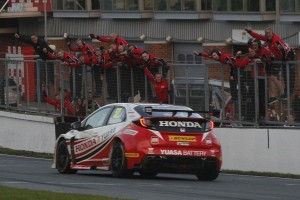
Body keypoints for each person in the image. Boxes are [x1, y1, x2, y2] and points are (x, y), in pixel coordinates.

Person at [245, 27, 295, 96]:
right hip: (277, 57)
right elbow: (258, 36)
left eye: (269, 33)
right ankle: (274, 95)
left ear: (272, 33)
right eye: (266, 33)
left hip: (287, 56)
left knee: (285, 74)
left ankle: (284, 92)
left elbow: (283, 50)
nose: (268, 34)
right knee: (270, 76)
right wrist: (249, 31)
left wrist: (284, 60)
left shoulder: (275, 40)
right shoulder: (267, 39)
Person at [14, 33, 55, 98]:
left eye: (34, 38)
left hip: (49, 58)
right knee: (44, 76)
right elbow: (25, 40)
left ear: (37, 37)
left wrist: (46, 51)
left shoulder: (41, 41)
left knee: (50, 78)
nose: (33, 40)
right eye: (32, 39)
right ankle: (44, 92)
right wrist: (19, 37)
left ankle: (51, 95)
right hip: (43, 59)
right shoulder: (32, 41)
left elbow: (47, 48)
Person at [251, 39, 285, 105]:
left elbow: (268, 58)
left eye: (255, 45)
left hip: (276, 61)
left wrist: (260, 59)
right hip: (270, 63)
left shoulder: (263, 50)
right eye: (253, 45)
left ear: (259, 45)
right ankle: (272, 96)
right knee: (269, 78)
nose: (254, 47)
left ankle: (282, 93)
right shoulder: (258, 50)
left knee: (272, 77)